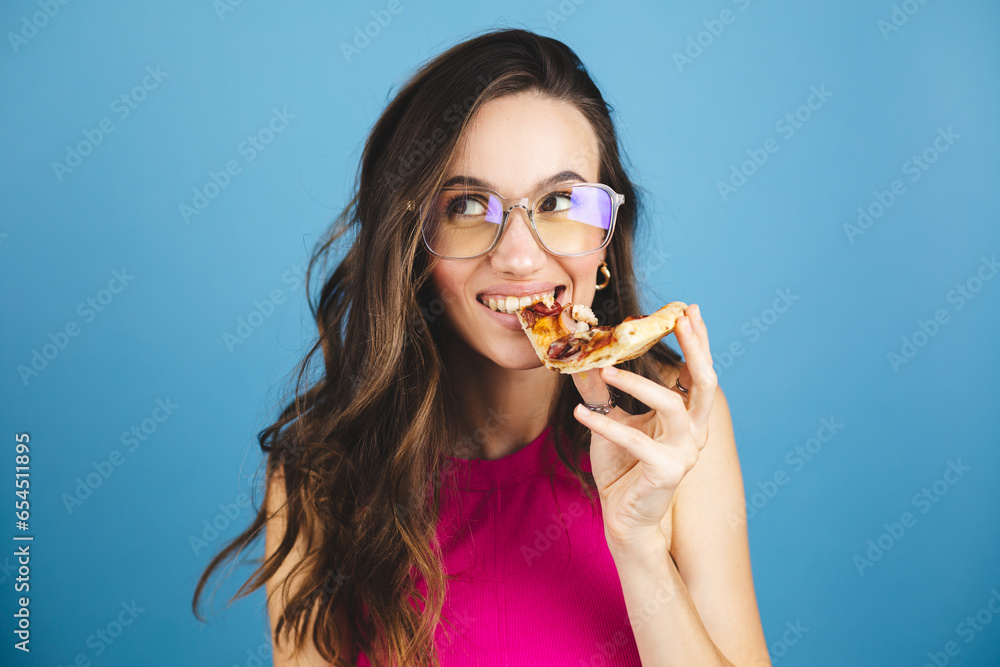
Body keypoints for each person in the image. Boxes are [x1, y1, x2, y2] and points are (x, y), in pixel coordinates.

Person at [193, 27, 770, 667]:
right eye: (468, 204)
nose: (520, 257)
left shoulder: (675, 422)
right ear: (413, 241)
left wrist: (637, 547)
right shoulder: (320, 473)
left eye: (559, 201)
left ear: (606, 236)